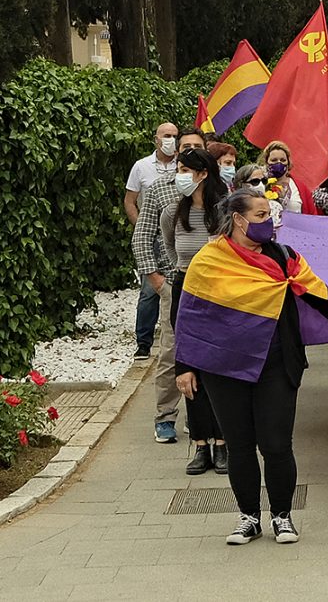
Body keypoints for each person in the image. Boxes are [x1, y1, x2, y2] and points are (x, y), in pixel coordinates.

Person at [176, 189, 328, 545]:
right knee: (239, 446)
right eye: (259, 216)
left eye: (268, 215)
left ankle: (282, 517)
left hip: (276, 363)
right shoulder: (208, 261)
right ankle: (248, 518)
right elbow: (191, 318)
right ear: (238, 220)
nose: (267, 223)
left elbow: (321, 297)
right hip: (224, 368)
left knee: (276, 444)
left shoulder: (285, 258)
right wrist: (184, 366)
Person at [132, 128, 206, 443]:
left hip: (213, 289)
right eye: (184, 147)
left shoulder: (218, 195)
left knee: (206, 353)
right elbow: (143, 235)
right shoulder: (161, 190)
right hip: (174, 283)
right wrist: (156, 278)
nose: (187, 151)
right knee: (171, 352)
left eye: (196, 148)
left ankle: (200, 415)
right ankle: (165, 416)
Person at [161, 149, 230, 475]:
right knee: (188, 367)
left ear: (204, 173)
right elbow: (174, 251)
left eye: (187, 169)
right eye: (179, 169)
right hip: (185, 290)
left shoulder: (224, 211)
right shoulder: (173, 211)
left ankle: (222, 442)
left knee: (217, 366)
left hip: (217, 293)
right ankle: (200, 443)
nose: (181, 175)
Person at [126, 122, 179, 361]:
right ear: (156, 139)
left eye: (175, 136)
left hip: (178, 239)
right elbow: (130, 200)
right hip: (153, 237)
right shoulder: (141, 167)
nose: (171, 140)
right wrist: (142, 228)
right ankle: (143, 342)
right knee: (150, 290)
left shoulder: (184, 168)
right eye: (166, 136)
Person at [257, 141, 318, 221]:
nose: (279, 163)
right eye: (274, 160)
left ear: (288, 163)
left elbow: (313, 217)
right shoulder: (259, 185)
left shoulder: (301, 188)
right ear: (266, 162)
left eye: (283, 160)